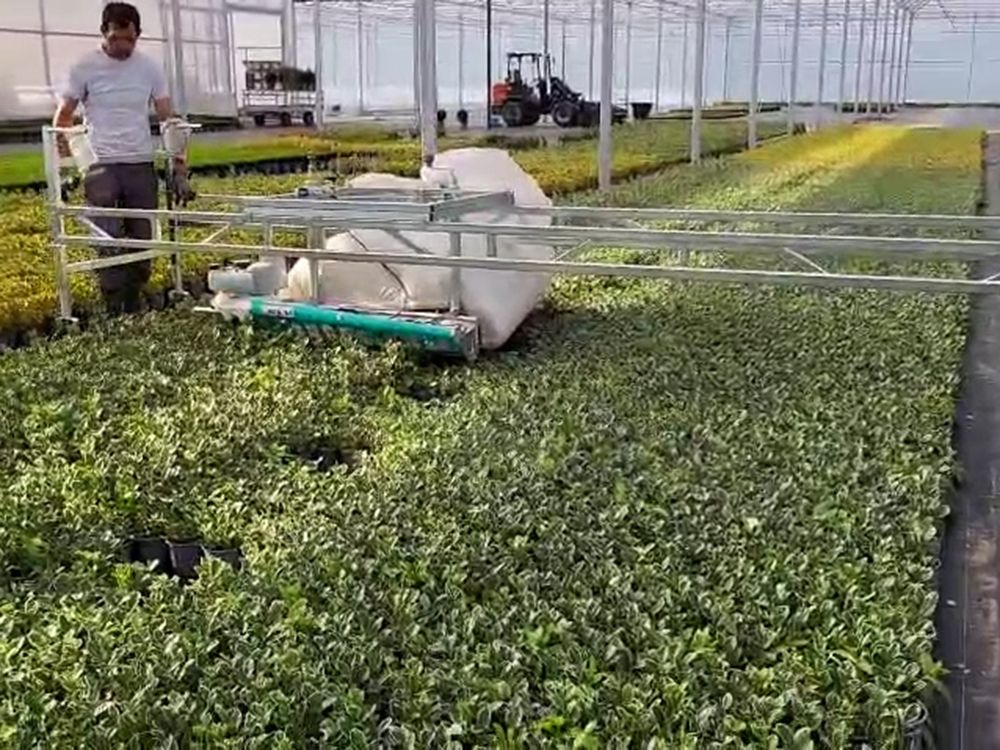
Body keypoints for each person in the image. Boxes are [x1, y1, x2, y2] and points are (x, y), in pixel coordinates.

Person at [53, 2, 192, 315]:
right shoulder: (84, 66)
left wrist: (179, 165)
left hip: (139, 159)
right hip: (100, 161)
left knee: (143, 231)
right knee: (107, 233)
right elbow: (63, 117)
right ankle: (115, 303)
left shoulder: (149, 68)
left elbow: (167, 117)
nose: (124, 46)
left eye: (130, 39)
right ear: (104, 32)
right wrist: (63, 166)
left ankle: (136, 294)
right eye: (117, 38)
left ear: (138, 35)